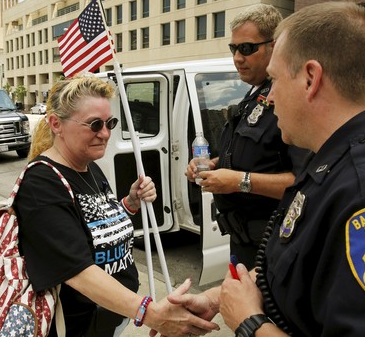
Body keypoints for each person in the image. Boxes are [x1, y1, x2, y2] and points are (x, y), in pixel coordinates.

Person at [169, 1, 365, 337]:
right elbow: (307, 267)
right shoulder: (335, 162)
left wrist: (250, 323)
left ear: (311, 78)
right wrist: (220, 297)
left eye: (275, 80)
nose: (269, 99)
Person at [14, 75, 219, 337]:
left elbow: (93, 225)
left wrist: (130, 203)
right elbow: (76, 270)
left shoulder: (90, 166)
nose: (105, 133)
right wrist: (151, 313)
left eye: (110, 123)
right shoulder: (41, 182)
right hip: (77, 326)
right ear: (56, 124)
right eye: (94, 124)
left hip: (112, 315)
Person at [185, 4, 303, 270]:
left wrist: (239, 181)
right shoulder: (253, 96)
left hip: (273, 247)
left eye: (247, 48)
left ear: (274, 47)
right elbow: (252, 156)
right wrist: (213, 165)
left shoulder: (288, 98)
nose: (237, 57)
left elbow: (304, 183)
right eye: (233, 49)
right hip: (243, 242)